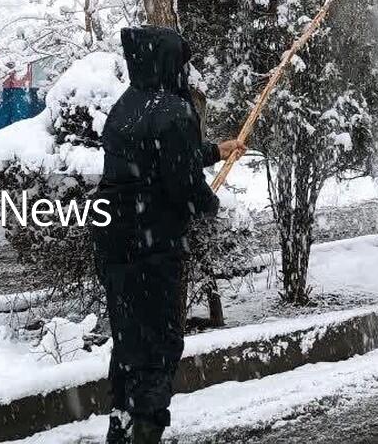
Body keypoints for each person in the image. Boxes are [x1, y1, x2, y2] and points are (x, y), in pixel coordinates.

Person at [93, 26, 244, 444]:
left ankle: (121, 427)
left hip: (115, 239)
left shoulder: (126, 106)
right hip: (153, 243)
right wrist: (209, 206)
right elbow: (181, 183)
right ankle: (145, 431)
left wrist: (216, 150)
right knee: (159, 344)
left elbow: (155, 156)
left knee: (129, 341)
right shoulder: (175, 111)